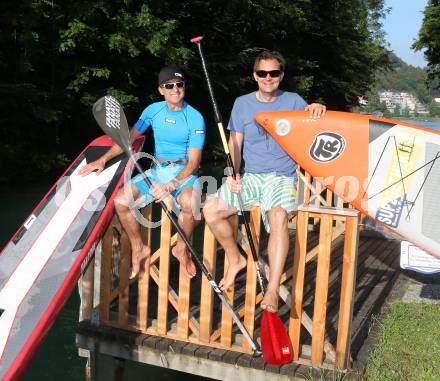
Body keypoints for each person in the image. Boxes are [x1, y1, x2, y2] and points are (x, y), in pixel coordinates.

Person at [203, 51, 326, 312]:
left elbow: (317, 128)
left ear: (281, 76)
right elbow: (235, 143)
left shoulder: (294, 101)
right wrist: (232, 174)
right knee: (210, 209)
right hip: (251, 176)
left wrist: (317, 108)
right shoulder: (242, 103)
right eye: (262, 73)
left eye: (274, 73)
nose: (268, 78)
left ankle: (271, 289)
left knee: (278, 216)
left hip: (282, 176)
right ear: (254, 75)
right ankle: (236, 259)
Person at [80, 66, 205, 279]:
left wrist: (171, 185)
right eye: (169, 86)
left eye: (179, 85)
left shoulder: (195, 118)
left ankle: (181, 249)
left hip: (183, 173)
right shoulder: (152, 111)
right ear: (161, 90)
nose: (175, 89)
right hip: (157, 171)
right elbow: (127, 139)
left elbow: (194, 162)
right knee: (121, 201)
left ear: (184, 87)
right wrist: (102, 159)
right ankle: (140, 248)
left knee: (190, 203)